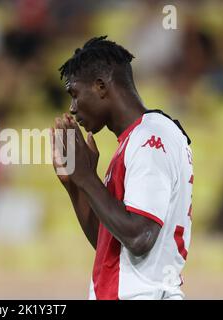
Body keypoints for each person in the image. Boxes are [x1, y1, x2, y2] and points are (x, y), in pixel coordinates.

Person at [50, 36, 194, 300]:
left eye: (75, 94)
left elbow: (140, 237)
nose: (72, 108)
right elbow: (109, 244)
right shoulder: (132, 141)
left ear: (101, 86)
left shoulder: (152, 137)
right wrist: (75, 185)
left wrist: (86, 177)